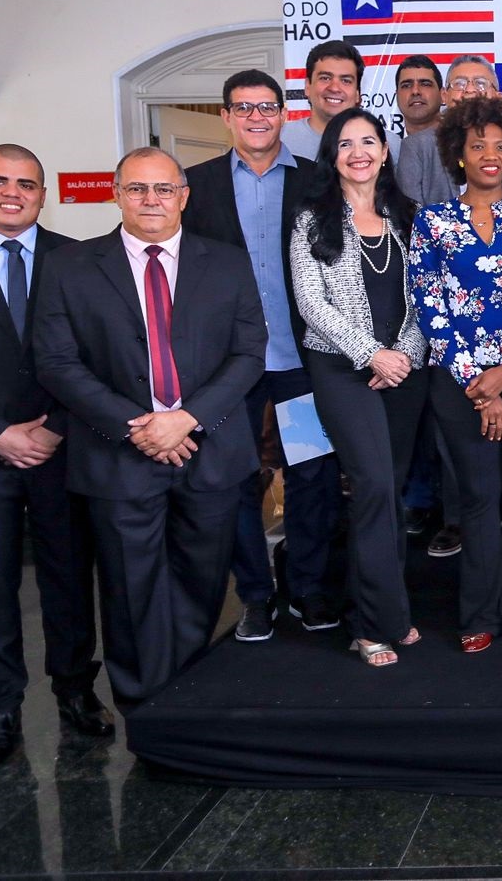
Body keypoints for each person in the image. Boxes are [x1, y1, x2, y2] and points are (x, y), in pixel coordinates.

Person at [34, 148, 266, 707]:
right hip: (118, 453)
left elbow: (248, 352)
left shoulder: (229, 262)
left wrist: (186, 419)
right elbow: (57, 362)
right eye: (137, 189)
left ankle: (182, 691)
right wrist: (137, 425)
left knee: (202, 580)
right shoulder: (71, 266)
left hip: (207, 450)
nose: (151, 200)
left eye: (163, 189)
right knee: (129, 588)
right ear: (116, 194)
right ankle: (142, 704)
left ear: (183, 197)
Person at [0, 145, 108, 768]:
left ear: (43, 194)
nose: (12, 192)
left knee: (69, 577)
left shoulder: (77, 261)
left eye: (26, 183)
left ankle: (75, 691)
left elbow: (97, 357)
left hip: (61, 448)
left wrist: (53, 428)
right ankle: (0, 708)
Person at [183, 69, 341, 642]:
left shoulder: (316, 180)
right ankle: (254, 595)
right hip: (229, 368)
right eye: (244, 108)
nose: (256, 117)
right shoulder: (192, 186)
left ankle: (308, 586)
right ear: (225, 116)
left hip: (301, 360)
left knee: (311, 474)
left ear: (283, 113)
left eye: (267, 107)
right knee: (236, 479)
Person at [407, 97, 502, 652]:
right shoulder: (432, 221)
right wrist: (481, 384)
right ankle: (477, 616)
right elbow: (430, 306)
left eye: (500, 146)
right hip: (460, 382)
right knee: (477, 498)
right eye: (478, 146)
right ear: (458, 156)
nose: (490, 156)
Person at [290, 109, 426, 668]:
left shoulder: (409, 216)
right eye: (345, 144)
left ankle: (388, 611)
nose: (358, 152)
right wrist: (372, 354)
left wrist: (405, 356)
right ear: (333, 156)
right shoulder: (310, 220)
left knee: (388, 491)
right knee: (370, 485)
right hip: (342, 370)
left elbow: (427, 293)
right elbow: (310, 303)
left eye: (368, 141)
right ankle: (369, 625)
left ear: (385, 150)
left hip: (405, 371)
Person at [395, 54, 502, 210]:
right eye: (459, 84)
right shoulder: (416, 147)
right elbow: (410, 220)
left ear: (498, 96)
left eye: (480, 83)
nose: (469, 90)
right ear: (444, 96)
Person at [283, 39, 400, 160]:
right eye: (325, 78)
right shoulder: (280, 139)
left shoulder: (390, 144)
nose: (334, 88)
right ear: (308, 86)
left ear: (357, 93)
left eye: (346, 81)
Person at [395, 55, 443, 137]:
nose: (415, 91)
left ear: (443, 95)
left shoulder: (463, 145)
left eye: (425, 84)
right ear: (397, 96)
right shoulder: (385, 148)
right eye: (406, 86)